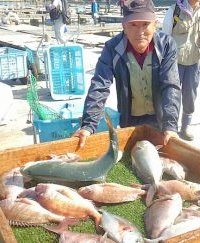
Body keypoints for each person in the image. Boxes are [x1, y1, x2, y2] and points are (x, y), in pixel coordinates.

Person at [73, 0, 181, 147]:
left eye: (145, 24)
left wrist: (171, 126)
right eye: (133, 25)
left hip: (161, 119)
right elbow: (100, 85)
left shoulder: (167, 45)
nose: (140, 32)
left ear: (155, 24)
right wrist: (88, 125)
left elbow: (171, 86)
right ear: (124, 26)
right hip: (129, 119)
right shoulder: (112, 48)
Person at [162, 0, 200, 141]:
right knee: (171, 95)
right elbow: (164, 37)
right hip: (174, 62)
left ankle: (186, 126)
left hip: (194, 62)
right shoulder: (174, 10)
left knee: (190, 96)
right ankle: (170, 126)